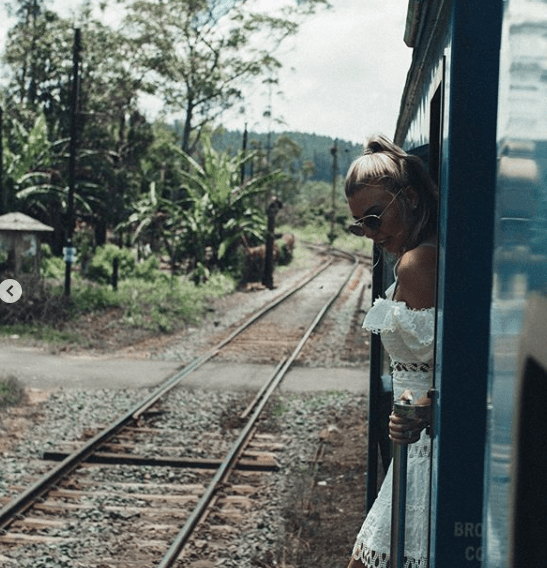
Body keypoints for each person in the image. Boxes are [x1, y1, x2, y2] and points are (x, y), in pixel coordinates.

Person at [345, 135, 438, 568]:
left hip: (425, 451)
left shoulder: (417, 263)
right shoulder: (418, 257)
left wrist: (420, 408)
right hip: (415, 447)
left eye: (375, 216)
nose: (370, 232)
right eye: (360, 224)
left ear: (411, 197)